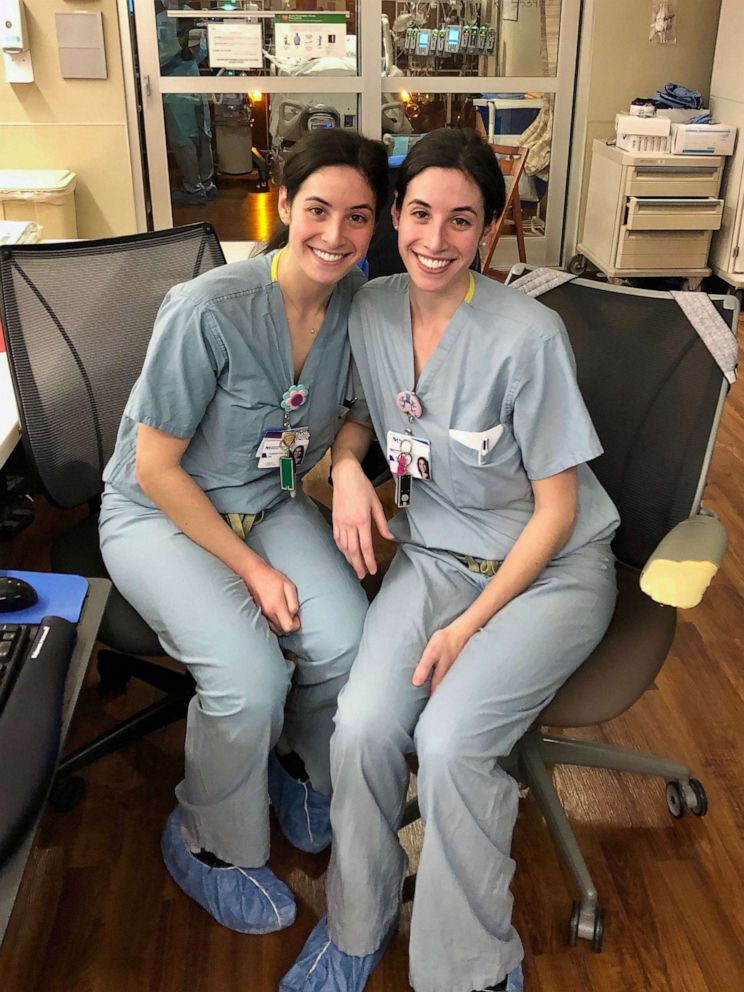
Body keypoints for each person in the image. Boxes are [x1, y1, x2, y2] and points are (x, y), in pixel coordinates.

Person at [281, 129, 620, 992]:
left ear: (487, 228)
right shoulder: (371, 307)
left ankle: (469, 965)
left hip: (545, 573)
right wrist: (351, 467)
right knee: (360, 725)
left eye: (461, 221)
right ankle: (356, 927)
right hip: (432, 556)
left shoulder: (527, 336)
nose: (436, 239)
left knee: (452, 741)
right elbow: (365, 413)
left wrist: (471, 624)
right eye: (420, 214)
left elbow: (559, 509)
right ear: (393, 217)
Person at [99, 129, 390, 935]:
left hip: (268, 498)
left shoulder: (359, 307)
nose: (336, 235)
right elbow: (157, 468)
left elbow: (357, 419)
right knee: (249, 676)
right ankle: (205, 838)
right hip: (162, 512)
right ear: (286, 206)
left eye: (358, 217)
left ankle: (297, 764)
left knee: (347, 638)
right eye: (319, 210)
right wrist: (251, 573)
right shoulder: (209, 309)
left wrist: (352, 473)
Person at [157, 1, 216, 205]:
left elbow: (157, 57)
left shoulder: (158, 19)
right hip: (193, 76)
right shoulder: (193, 14)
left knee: (183, 138)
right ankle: (207, 184)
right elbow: (202, 51)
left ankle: (194, 189)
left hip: (173, 82)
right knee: (202, 133)